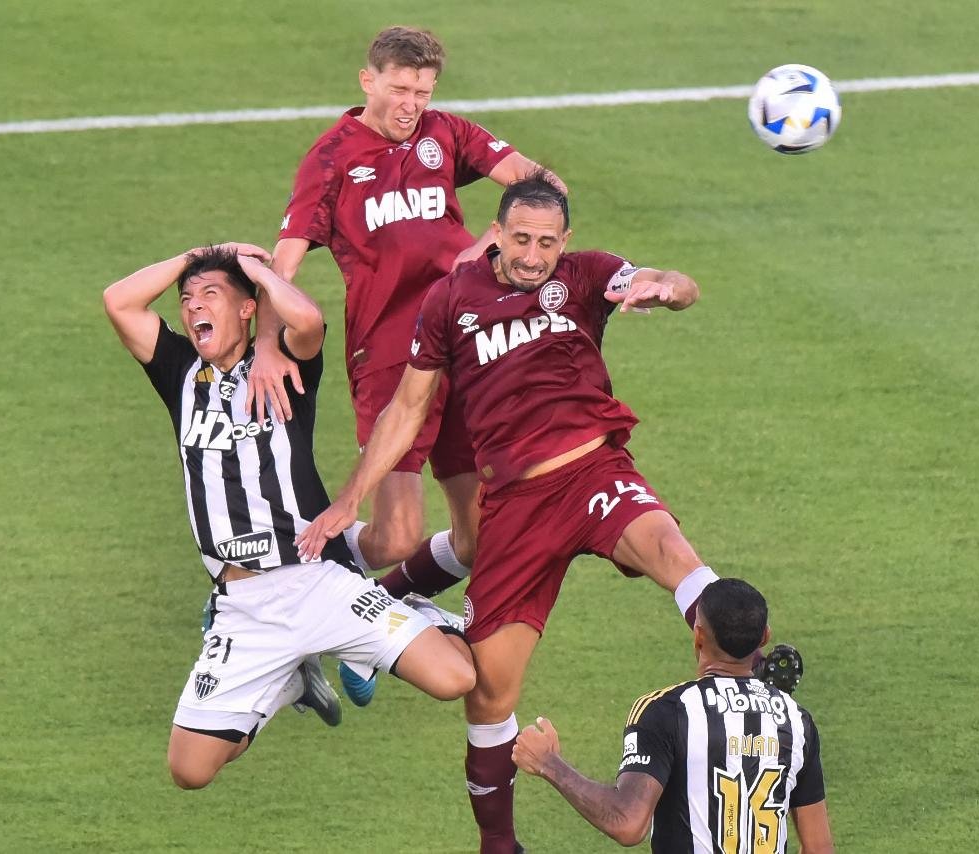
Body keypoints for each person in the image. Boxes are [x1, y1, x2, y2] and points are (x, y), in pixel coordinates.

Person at [297, 174, 723, 853]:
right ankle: (499, 844)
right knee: (488, 693)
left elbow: (668, 280)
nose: (532, 256)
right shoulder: (451, 301)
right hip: (517, 508)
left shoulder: (587, 276)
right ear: (495, 234)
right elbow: (407, 409)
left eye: (547, 243)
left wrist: (669, 288)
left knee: (679, 558)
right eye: (520, 239)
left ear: (566, 242)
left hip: (595, 474)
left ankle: (747, 680)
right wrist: (350, 500)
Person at [247, 30, 566, 699]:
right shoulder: (332, 159)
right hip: (391, 359)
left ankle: (379, 614)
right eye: (399, 88)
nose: (411, 103)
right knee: (396, 534)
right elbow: (284, 265)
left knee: (477, 541)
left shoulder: (445, 134)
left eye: (423, 90)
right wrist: (268, 346)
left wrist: (484, 248)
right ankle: (280, 587)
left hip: (464, 351)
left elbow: (541, 185)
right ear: (368, 80)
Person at [102, 243, 475, 790]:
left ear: (247, 308)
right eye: (187, 300)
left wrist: (255, 270)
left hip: (313, 577)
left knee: (455, 677)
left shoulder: (283, 366)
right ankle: (291, 682)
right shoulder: (180, 373)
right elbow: (119, 301)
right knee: (189, 770)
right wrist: (197, 258)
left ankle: (405, 602)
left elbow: (307, 319)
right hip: (243, 606)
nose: (193, 307)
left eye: (211, 295)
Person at [512, 578, 834, 853]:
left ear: (698, 635)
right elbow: (819, 847)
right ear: (765, 636)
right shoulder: (797, 721)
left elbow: (628, 823)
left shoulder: (667, 711)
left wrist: (548, 763)